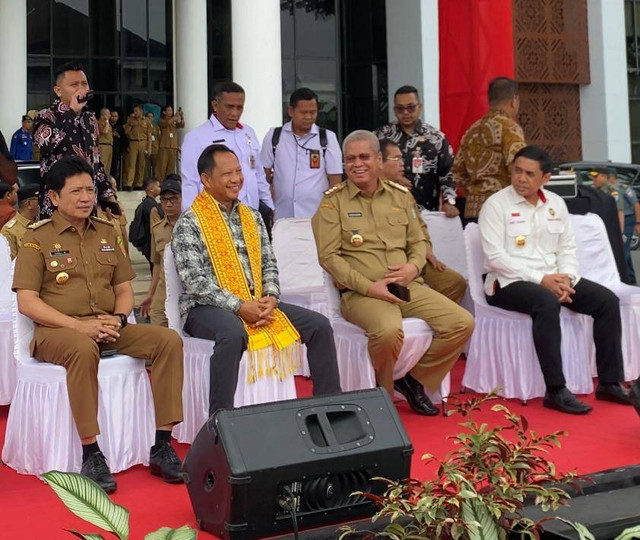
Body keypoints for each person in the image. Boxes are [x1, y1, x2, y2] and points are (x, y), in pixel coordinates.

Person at [12, 156, 184, 492]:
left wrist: (119, 319)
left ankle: (162, 444)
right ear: (55, 198)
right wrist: (79, 327)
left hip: (108, 327)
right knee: (82, 347)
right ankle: (91, 452)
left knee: (168, 341)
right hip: (58, 334)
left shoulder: (106, 231)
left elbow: (122, 290)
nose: (86, 197)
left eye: (90, 189)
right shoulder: (37, 239)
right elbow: (27, 302)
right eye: (75, 191)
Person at [312, 131, 474, 416]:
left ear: (377, 159)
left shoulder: (400, 196)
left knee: (461, 323)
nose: (357, 164)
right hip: (363, 293)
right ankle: (383, 396)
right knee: (388, 331)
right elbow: (329, 258)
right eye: (350, 159)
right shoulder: (332, 203)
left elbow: (419, 242)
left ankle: (414, 380)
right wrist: (369, 287)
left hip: (406, 286)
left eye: (364, 157)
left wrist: (413, 266)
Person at [172, 144, 341, 416]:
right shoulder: (190, 221)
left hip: (256, 302)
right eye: (227, 173)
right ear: (206, 179)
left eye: (238, 171)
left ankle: (330, 410)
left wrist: (271, 297)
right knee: (232, 333)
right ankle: (221, 422)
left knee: (319, 326)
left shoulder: (252, 216)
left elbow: (269, 263)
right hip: (204, 309)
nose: (236, 179)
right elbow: (195, 282)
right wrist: (240, 307)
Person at [479, 146, 633, 414]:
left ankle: (609, 382)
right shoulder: (496, 205)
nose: (521, 179)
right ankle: (556, 389)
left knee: (607, 301)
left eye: (529, 174)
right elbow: (495, 258)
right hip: (507, 283)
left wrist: (567, 279)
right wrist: (543, 280)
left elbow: (567, 249)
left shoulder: (555, 203)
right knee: (546, 303)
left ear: (545, 178)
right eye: (517, 171)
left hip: (553, 278)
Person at [380, 139, 467, 304]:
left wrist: (427, 252)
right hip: (392, 262)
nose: (402, 164)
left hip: (416, 258)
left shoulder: (403, 193)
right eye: (396, 159)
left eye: (402, 159)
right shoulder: (372, 194)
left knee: (455, 283)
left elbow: (419, 226)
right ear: (379, 162)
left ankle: (434, 325)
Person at [180, 82, 274, 219]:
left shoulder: (248, 133)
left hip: (252, 217)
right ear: (215, 105)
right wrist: (192, 222)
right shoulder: (196, 138)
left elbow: (258, 175)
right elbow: (190, 183)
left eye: (239, 108)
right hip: (216, 218)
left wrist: (270, 208)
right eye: (229, 107)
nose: (234, 113)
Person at [33, 62, 114, 220]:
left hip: (87, 205)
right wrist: (70, 113)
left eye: (84, 84)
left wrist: (108, 197)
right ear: (58, 90)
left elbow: (96, 161)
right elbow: (46, 143)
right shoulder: (45, 116)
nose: (81, 89)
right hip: (57, 205)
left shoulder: (90, 118)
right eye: (74, 84)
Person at [374, 85, 458, 217]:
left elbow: (448, 173)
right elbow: (371, 168)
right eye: (400, 109)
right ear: (394, 110)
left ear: (420, 107)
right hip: (387, 211)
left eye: (411, 107)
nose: (406, 112)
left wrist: (449, 202)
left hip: (425, 214)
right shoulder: (382, 136)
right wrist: (391, 179)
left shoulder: (435, 138)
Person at [260, 88, 343, 220]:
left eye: (313, 112)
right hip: (281, 216)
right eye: (304, 112)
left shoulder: (327, 138)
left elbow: (335, 181)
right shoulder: (274, 136)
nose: (309, 117)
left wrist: (331, 212)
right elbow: (263, 173)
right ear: (291, 111)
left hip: (317, 217)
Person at [453, 77, 526, 222]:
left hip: (473, 210)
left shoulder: (472, 130)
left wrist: (474, 191)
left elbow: (457, 172)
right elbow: (518, 167)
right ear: (514, 100)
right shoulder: (509, 128)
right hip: (502, 209)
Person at [140, 178, 181, 326]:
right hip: (163, 294)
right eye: (164, 200)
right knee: (159, 336)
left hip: (187, 294)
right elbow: (157, 264)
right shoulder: (158, 229)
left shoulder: (194, 226)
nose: (169, 204)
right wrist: (150, 294)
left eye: (174, 199)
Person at [592, 167, 640, 284]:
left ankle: (626, 279)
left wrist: (637, 223)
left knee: (623, 251)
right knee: (624, 251)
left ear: (610, 177)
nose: (593, 179)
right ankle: (631, 278)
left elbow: (634, 206)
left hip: (627, 221)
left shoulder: (622, 189)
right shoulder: (603, 189)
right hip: (617, 221)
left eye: (596, 176)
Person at [129, 177, 161, 270]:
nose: (160, 188)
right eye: (158, 186)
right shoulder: (151, 205)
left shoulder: (145, 203)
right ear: (151, 189)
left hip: (147, 244)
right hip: (150, 243)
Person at [1, 184, 39, 259]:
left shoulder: (42, 223)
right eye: (39, 200)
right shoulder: (9, 231)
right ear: (29, 203)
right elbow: (9, 263)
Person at [123, 105, 151, 191]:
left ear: (141, 111)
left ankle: (139, 183)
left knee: (141, 164)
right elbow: (126, 132)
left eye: (136, 111)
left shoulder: (147, 121)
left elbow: (149, 135)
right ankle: (129, 183)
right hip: (133, 142)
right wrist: (130, 124)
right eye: (134, 111)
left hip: (143, 142)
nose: (135, 113)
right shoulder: (131, 120)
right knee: (131, 163)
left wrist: (149, 148)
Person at [156, 106, 185, 181]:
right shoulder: (161, 120)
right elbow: (167, 123)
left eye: (171, 110)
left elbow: (182, 125)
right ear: (164, 112)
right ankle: (160, 182)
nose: (170, 112)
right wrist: (174, 117)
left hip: (173, 146)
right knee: (162, 167)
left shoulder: (174, 121)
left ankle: (169, 183)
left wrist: (181, 117)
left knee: (171, 168)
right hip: (164, 146)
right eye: (168, 110)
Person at [109, 109, 127, 182]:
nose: (113, 118)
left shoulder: (120, 127)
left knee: (114, 167)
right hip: (107, 149)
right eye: (112, 116)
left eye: (115, 116)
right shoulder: (107, 125)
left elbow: (124, 140)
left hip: (116, 151)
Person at [97, 108, 113, 176]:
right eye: (108, 114)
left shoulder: (108, 124)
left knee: (108, 167)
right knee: (103, 165)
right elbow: (105, 131)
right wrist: (106, 121)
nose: (110, 115)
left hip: (109, 146)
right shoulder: (100, 122)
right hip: (103, 146)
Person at [146, 112, 160, 180]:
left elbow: (159, 138)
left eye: (151, 117)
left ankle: (155, 181)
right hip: (146, 150)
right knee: (146, 168)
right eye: (148, 117)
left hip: (155, 150)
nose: (150, 118)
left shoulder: (156, 127)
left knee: (156, 168)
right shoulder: (144, 126)